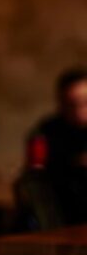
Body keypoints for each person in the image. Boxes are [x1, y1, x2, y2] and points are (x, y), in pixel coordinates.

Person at [15, 67, 87, 228]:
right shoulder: (46, 133)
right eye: (72, 104)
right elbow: (34, 176)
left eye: (85, 102)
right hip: (59, 218)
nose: (79, 110)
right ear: (60, 103)